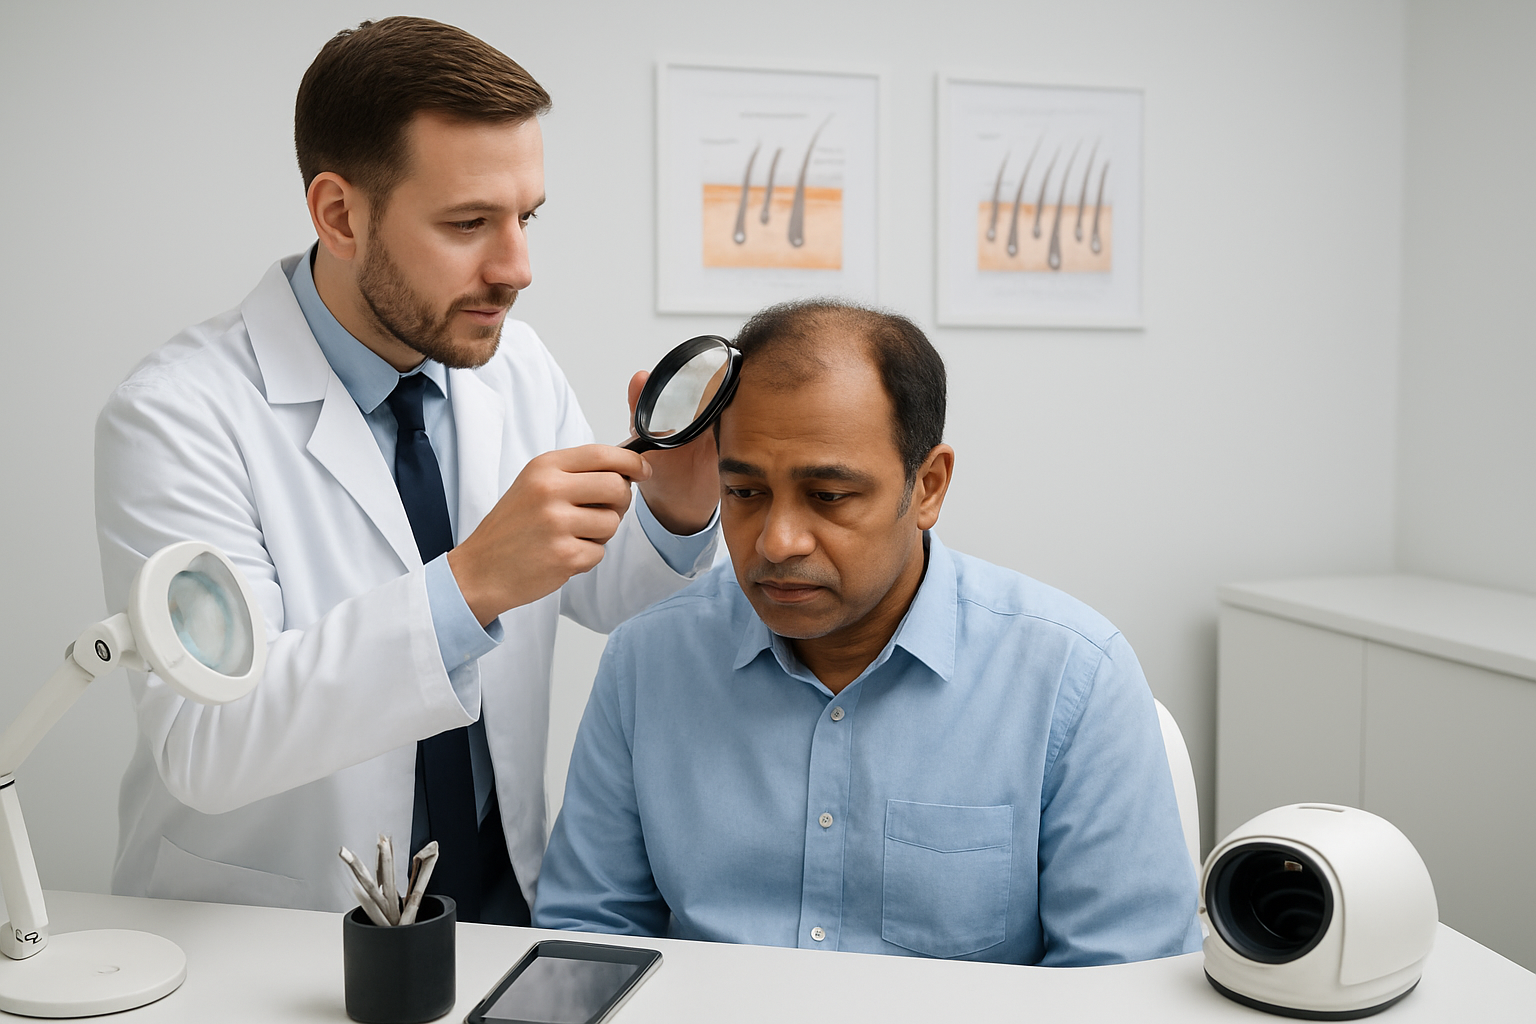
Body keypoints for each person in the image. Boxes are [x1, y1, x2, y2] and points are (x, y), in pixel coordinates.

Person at [95, 17, 719, 925]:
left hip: (504, 895)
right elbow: (207, 741)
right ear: (340, 215)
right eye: (470, 224)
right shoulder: (177, 415)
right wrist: (467, 586)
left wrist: (676, 510)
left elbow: (590, 591)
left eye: (525, 218)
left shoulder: (514, 363)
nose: (518, 268)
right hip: (282, 924)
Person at [534, 300, 1201, 964]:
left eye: (828, 496)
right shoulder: (647, 661)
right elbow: (585, 940)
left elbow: (1121, 981)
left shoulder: (1072, 678)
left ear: (929, 487)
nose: (778, 540)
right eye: (744, 493)